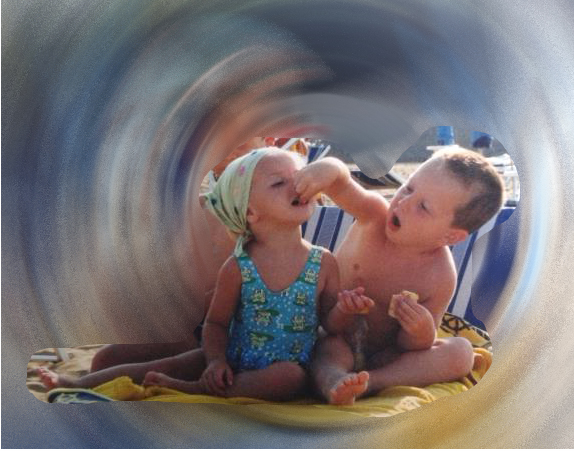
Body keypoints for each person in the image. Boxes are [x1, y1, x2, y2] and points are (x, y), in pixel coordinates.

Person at [39, 148, 371, 400]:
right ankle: (77, 383)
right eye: (279, 182)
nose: (298, 185)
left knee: (291, 378)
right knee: (169, 364)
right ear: (250, 212)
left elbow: (330, 323)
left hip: (285, 367)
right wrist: (215, 361)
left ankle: (195, 389)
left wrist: (345, 309)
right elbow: (215, 324)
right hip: (231, 355)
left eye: (299, 176)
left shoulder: (323, 262)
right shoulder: (240, 266)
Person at [293, 147, 504, 404]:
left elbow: (412, 347)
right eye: (408, 188)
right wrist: (328, 168)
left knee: (461, 354)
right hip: (336, 334)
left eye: (423, 207)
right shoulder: (374, 216)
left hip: (389, 356)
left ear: (451, 236)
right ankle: (333, 380)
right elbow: (341, 185)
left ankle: (371, 382)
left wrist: (419, 329)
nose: (403, 202)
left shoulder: (440, 276)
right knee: (329, 350)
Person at [89, 137, 272, 372]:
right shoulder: (202, 206)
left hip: (238, 334)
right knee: (105, 360)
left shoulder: (276, 211)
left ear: (268, 139)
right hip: (197, 327)